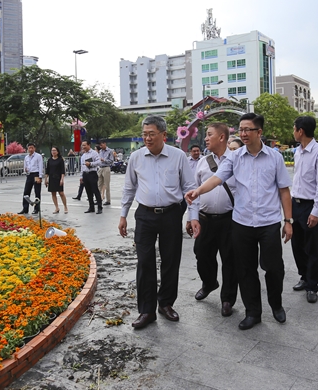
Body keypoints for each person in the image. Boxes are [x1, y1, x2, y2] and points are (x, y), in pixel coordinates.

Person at [186, 113, 293, 331]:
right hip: (242, 223)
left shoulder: (274, 157)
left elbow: (284, 190)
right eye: (241, 129)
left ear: (259, 132)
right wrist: (198, 191)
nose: (243, 134)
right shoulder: (235, 158)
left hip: (268, 222)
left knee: (273, 268)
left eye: (248, 130)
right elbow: (216, 179)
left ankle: (276, 305)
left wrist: (288, 220)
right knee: (245, 270)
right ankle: (253, 312)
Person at [119, 115, 200, 329]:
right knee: (144, 262)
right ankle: (146, 311)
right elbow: (129, 187)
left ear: (163, 135)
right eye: (144, 134)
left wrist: (193, 216)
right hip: (144, 215)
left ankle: (165, 304)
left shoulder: (178, 156)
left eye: (151, 134)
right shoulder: (136, 157)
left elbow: (189, 188)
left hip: (171, 214)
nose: (147, 138)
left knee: (170, 261)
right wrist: (123, 215)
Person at [187, 123, 238, 317]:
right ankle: (209, 283)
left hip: (229, 220)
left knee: (230, 260)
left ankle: (227, 299)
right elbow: (193, 192)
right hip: (204, 219)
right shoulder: (203, 161)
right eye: (206, 135)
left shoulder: (236, 160)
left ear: (222, 137)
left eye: (209, 135)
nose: (206, 138)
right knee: (201, 254)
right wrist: (191, 217)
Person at [290, 116, 318, 303]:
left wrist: (316, 211)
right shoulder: (298, 151)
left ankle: (312, 285)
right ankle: (304, 277)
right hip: (295, 203)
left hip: (309, 205)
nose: (293, 131)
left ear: (301, 131)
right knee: (297, 244)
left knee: (311, 247)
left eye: (294, 129)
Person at [18, 143, 43, 215]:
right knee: (26, 191)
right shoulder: (26, 157)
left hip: (36, 174)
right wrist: (25, 170)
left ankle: (37, 208)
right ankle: (25, 208)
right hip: (29, 174)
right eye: (29, 148)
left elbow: (40, 166)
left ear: (34, 148)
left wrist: (40, 176)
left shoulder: (38, 156)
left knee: (37, 192)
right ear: (27, 149)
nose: (31, 149)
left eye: (32, 148)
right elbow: (25, 166)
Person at [79, 140, 102, 214]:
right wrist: (81, 176)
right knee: (88, 191)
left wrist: (91, 164)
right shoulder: (83, 155)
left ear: (89, 145)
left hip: (92, 173)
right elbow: (82, 167)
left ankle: (99, 207)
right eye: (82, 145)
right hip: (85, 174)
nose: (83, 147)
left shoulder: (94, 153)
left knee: (95, 190)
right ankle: (91, 207)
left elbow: (99, 162)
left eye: (84, 145)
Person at [45, 146, 68, 214]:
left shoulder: (60, 160)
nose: (53, 152)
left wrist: (62, 179)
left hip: (58, 178)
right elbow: (47, 171)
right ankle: (56, 207)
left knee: (61, 193)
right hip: (51, 178)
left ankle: (65, 207)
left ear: (57, 152)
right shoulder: (49, 160)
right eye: (52, 150)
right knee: (53, 193)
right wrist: (46, 179)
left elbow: (62, 171)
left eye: (55, 150)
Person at [97, 140, 114, 205]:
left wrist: (104, 160)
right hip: (100, 168)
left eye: (101, 145)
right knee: (99, 184)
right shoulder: (100, 151)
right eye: (100, 145)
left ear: (104, 144)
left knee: (107, 185)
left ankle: (108, 200)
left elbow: (111, 160)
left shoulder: (109, 151)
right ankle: (98, 199)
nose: (100, 146)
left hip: (106, 167)